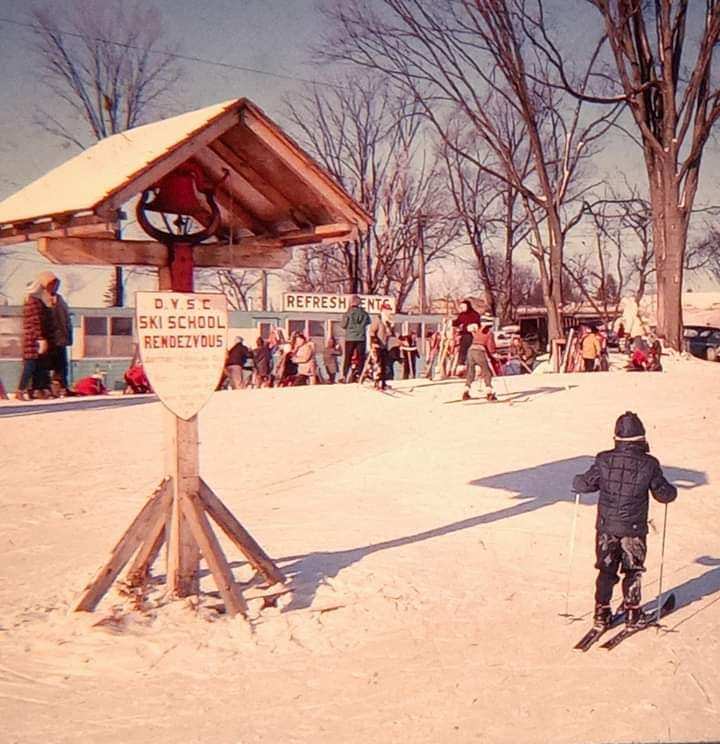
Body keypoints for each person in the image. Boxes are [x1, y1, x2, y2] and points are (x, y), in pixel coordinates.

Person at [572, 412, 677, 630]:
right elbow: (663, 494)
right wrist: (671, 492)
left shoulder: (603, 459)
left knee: (606, 569)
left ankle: (601, 613)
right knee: (633, 569)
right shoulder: (649, 463)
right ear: (641, 438)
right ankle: (632, 611)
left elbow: (584, 485)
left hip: (606, 527)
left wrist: (578, 480)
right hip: (634, 529)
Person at [15, 280, 53, 400]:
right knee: (30, 365)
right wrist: (41, 338)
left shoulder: (29, 301)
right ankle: (21, 390)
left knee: (35, 365)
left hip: (30, 338)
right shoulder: (34, 302)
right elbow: (37, 322)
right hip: (33, 339)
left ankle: (34, 390)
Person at [38, 271, 72, 394]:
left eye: (56, 284)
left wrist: (67, 334)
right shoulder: (41, 298)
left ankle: (63, 386)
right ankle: (45, 388)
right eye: (52, 284)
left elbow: (65, 318)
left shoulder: (60, 298)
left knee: (62, 364)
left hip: (60, 337)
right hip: (48, 338)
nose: (55, 287)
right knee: (45, 364)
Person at [462, 322, 497, 401]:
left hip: (470, 351)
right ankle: (489, 393)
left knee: (470, 371)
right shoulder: (489, 333)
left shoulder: (477, 330)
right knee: (486, 371)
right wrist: (494, 354)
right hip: (479, 352)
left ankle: (466, 392)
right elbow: (490, 346)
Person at [341, 294, 371, 382]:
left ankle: (344, 375)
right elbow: (368, 322)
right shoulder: (364, 313)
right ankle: (360, 374)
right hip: (361, 338)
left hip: (350, 338)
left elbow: (343, 325)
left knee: (348, 357)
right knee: (361, 357)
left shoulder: (348, 313)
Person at [368, 302, 398, 389]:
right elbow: (372, 331)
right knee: (378, 364)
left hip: (384, 346)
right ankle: (376, 382)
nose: (388, 312)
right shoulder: (378, 319)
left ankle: (383, 382)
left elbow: (391, 334)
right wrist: (374, 340)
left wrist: (392, 329)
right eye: (387, 310)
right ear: (382, 310)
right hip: (377, 345)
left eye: (389, 310)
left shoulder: (388, 321)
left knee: (385, 364)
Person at [452, 299, 482, 369]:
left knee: (467, 347)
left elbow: (477, 324)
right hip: (463, 334)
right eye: (461, 307)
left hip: (472, 335)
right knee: (462, 348)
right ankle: (461, 364)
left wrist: (472, 327)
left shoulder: (474, 314)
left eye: (463, 307)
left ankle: (467, 363)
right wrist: (451, 322)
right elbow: (457, 322)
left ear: (467, 306)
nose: (462, 309)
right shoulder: (462, 315)